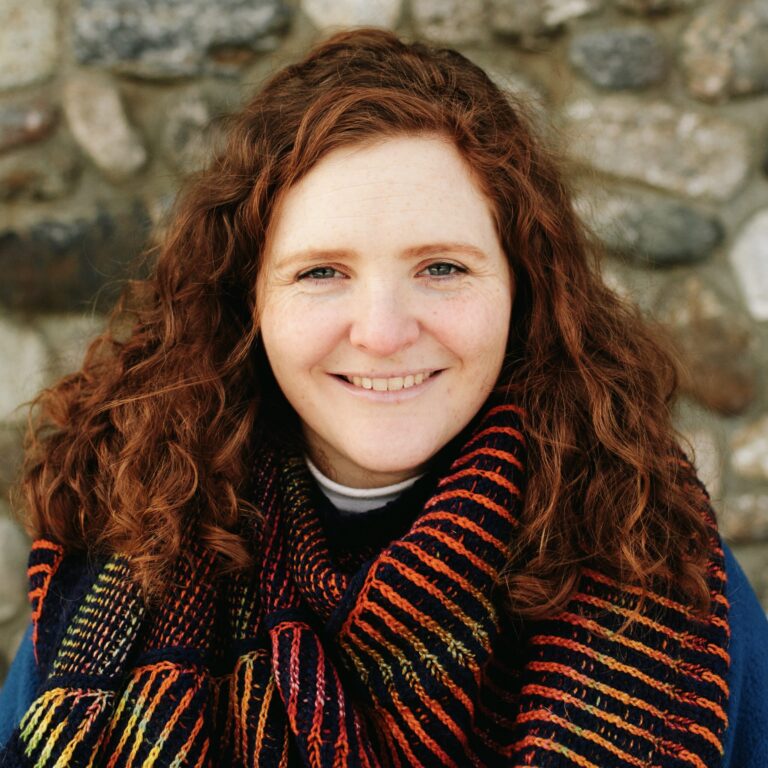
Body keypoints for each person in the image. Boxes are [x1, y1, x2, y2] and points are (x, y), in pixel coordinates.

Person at [0, 27, 766, 768]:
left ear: (524, 287)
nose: (383, 333)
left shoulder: (658, 561)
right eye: (321, 272)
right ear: (248, 298)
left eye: (442, 268)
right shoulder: (122, 546)